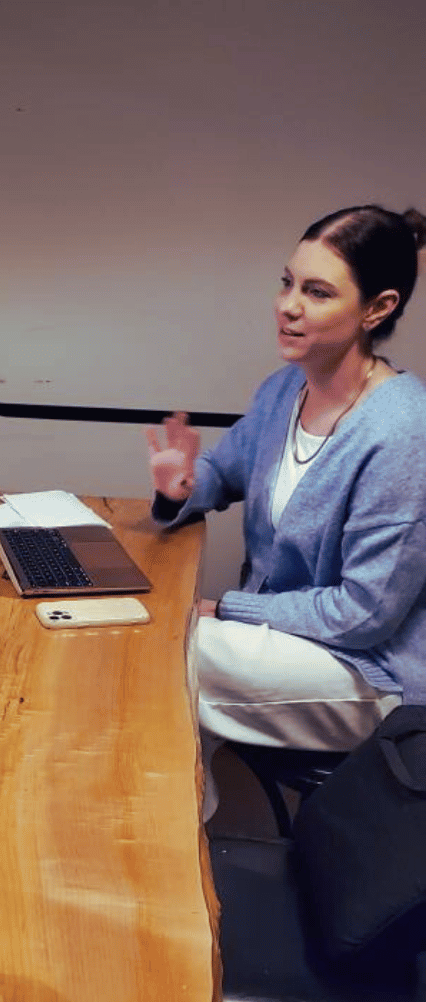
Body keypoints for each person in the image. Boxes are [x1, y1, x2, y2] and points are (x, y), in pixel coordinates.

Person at [145, 205, 426, 817]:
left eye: (317, 292)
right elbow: (227, 470)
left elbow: (364, 615)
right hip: (293, 643)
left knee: (166, 647)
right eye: (287, 282)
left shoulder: (404, 431)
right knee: (166, 649)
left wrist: (229, 609)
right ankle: (183, 812)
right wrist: (182, 485)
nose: (288, 305)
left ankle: (173, 822)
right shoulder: (284, 390)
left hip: (371, 675)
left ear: (377, 308)